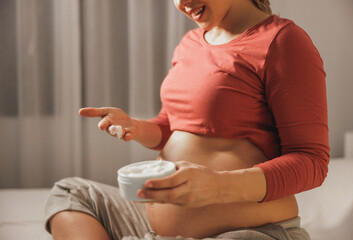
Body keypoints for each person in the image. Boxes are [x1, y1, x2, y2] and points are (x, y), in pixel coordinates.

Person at [44, 0, 330, 239]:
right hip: (153, 224)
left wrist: (219, 186)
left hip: (248, 231)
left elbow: (311, 161)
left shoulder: (283, 41)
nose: (181, 3)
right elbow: (173, 128)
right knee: (71, 193)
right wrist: (138, 127)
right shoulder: (190, 42)